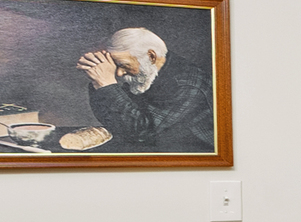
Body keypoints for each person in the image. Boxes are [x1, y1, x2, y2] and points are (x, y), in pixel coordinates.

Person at [77, 25, 216, 152]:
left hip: (194, 153)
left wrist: (106, 84)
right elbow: (116, 122)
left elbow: (142, 133)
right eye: (116, 65)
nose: (119, 73)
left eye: (123, 64)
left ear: (151, 56)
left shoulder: (185, 84)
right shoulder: (144, 72)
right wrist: (98, 83)